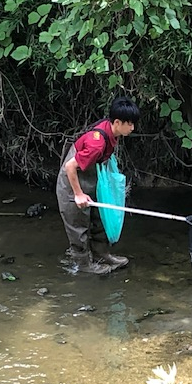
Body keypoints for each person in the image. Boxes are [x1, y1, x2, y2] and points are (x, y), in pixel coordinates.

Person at [56, 96, 140, 274]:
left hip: (91, 178)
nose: (133, 128)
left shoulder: (111, 131)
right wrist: (78, 194)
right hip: (72, 182)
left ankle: (102, 254)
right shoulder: (97, 143)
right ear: (117, 122)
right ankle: (84, 264)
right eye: (130, 124)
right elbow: (69, 166)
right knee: (78, 225)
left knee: (100, 217)